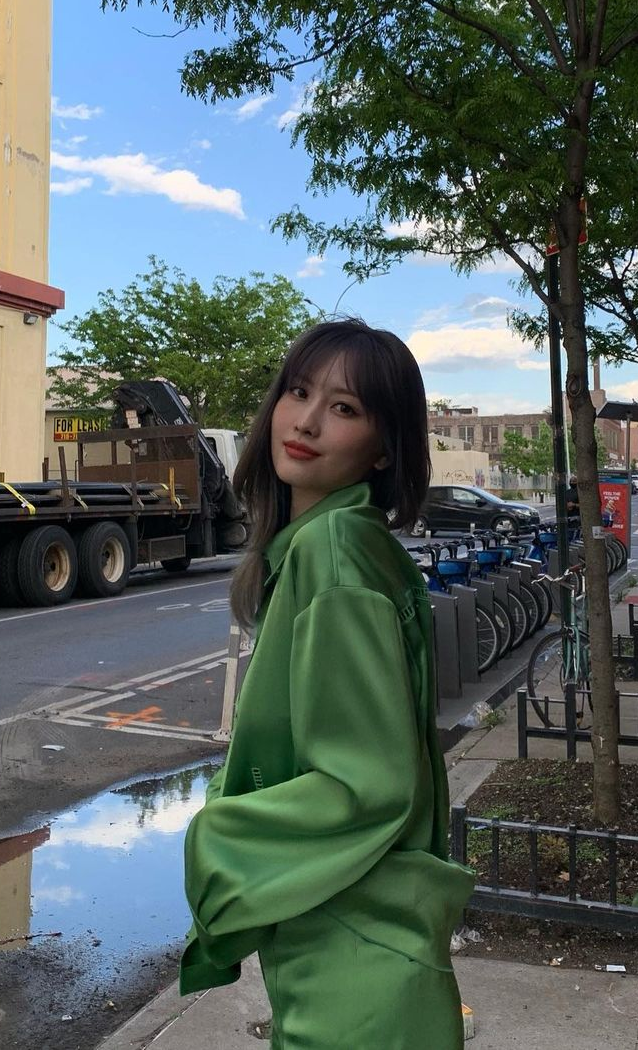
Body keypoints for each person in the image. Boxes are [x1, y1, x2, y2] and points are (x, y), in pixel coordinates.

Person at [180, 319, 474, 1050]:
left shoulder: (334, 553)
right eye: (298, 392)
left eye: (343, 407)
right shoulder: (344, 542)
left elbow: (365, 783)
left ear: (383, 447)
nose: (306, 421)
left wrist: (217, 838)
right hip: (356, 939)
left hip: (353, 954)